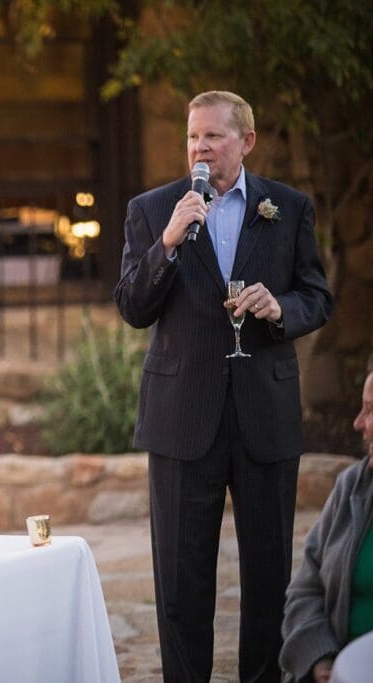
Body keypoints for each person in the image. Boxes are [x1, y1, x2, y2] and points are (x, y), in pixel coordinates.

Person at [114, 90, 333, 681]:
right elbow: (133, 306)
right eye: (192, 137)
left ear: (246, 141)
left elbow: (317, 296)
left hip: (265, 413)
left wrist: (279, 306)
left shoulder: (287, 207)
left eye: (212, 137)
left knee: (269, 581)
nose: (199, 149)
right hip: (183, 417)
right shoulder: (154, 208)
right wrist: (167, 240)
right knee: (181, 585)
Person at [281, 366, 373, 682]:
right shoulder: (352, 487)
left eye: (371, 410)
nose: (358, 423)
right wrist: (321, 658)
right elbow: (305, 590)